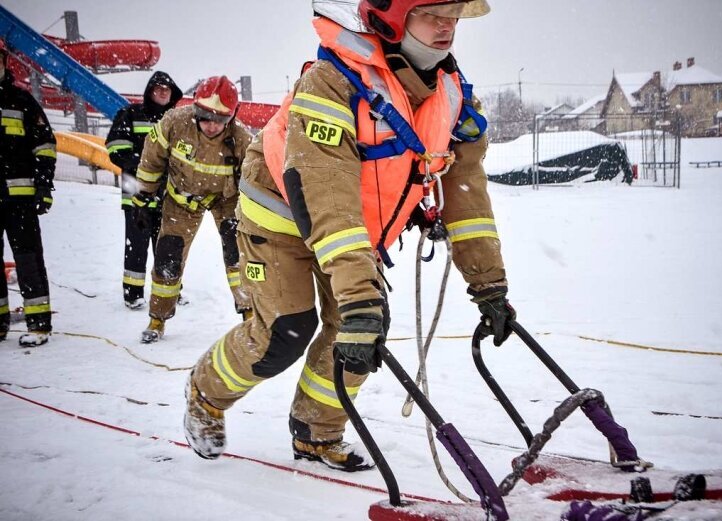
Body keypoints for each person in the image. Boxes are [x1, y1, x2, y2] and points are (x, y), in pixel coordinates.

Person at [184, 0, 515, 472]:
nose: (447, 27)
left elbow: (466, 195)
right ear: (391, 18)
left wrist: (489, 284)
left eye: (454, 16)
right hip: (281, 216)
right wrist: (360, 294)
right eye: (432, 15)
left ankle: (316, 433)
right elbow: (326, 196)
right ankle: (205, 393)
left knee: (363, 328)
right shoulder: (334, 81)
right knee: (283, 333)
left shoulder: (453, 95)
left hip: (353, 227)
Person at [132, 75, 252, 343]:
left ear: (231, 117)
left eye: (219, 120)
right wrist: (143, 197)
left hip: (226, 200)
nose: (210, 126)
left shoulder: (242, 139)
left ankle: (250, 314)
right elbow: (151, 161)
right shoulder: (174, 123)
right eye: (204, 116)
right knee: (168, 258)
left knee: (239, 257)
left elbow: (255, 181)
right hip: (181, 200)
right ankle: (157, 318)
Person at [106, 71, 182, 310]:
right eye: (158, 88)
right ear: (150, 91)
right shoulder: (130, 114)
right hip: (135, 193)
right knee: (136, 245)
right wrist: (145, 166)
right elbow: (116, 148)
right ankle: (133, 294)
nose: (162, 92)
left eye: (166, 89)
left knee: (167, 247)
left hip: (168, 195)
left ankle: (170, 292)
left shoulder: (176, 120)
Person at [0, 39, 57, 347]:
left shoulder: (22, 101)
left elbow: (45, 147)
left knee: (28, 260)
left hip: (20, 198)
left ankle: (38, 324)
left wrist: (44, 186)